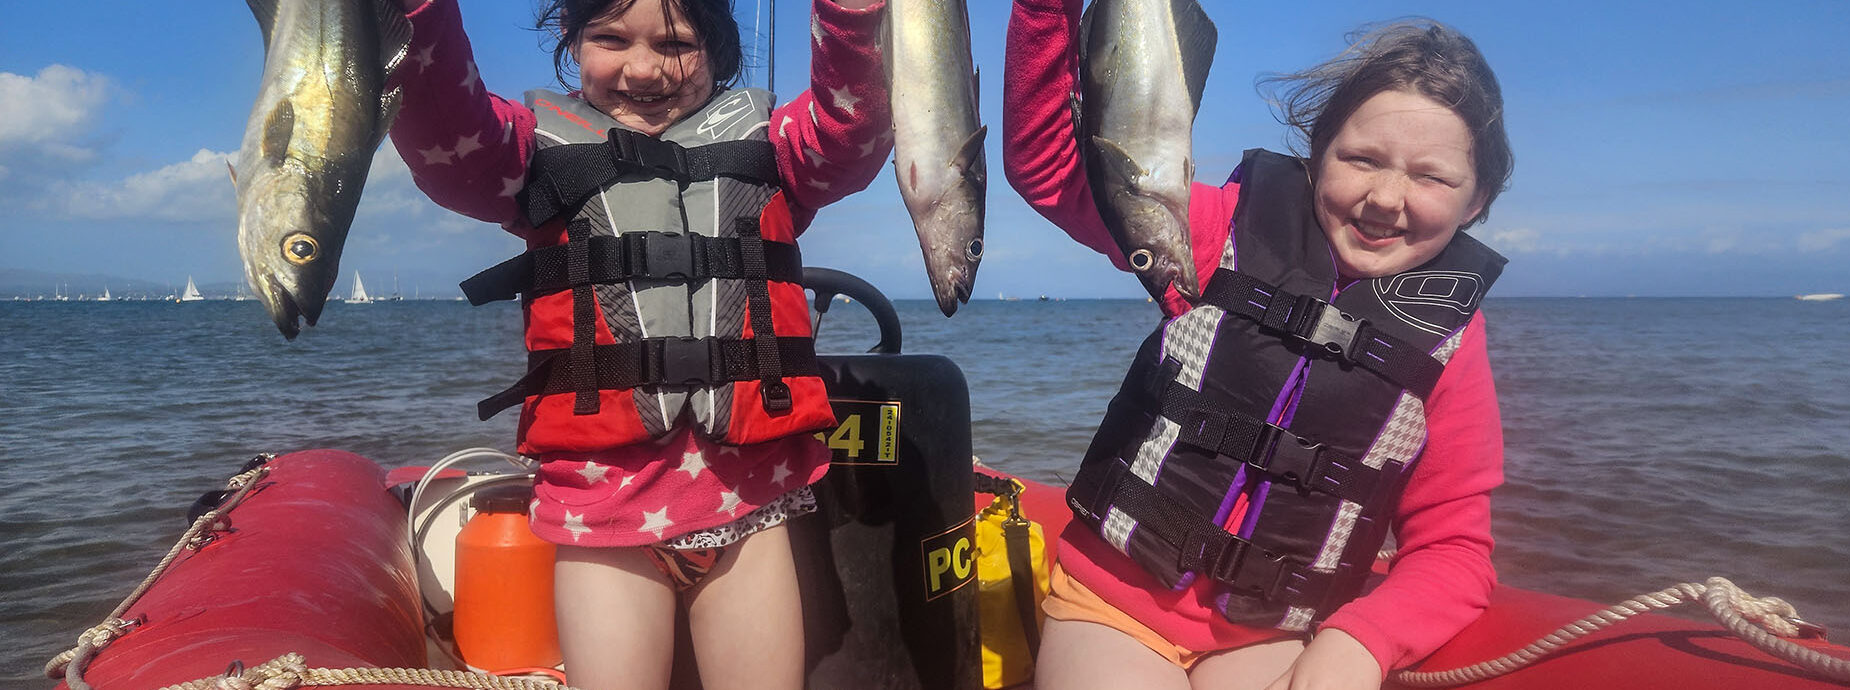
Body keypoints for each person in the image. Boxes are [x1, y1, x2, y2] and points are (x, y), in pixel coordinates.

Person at [1004, 2, 1513, 689]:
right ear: (1317, 156)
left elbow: (1454, 549)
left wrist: (1361, 642)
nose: (1387, 198)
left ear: (1476, 200)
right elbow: (1051, 169)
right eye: (1361, 159)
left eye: (1432, 178)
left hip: (1274, 635)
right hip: (1113, 607)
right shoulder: (1213, 231)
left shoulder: (1450, 344)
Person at [388, 0, 891, 688]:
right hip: (601, 523)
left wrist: (851, 14)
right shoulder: (528, 155)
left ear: (717, 50)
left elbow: (851, 127)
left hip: (748, 512)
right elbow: (443, 124)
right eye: (611, 38)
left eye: (675, 44)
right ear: (571, 43)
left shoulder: (774, 148)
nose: (644, 69)